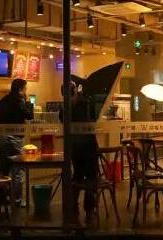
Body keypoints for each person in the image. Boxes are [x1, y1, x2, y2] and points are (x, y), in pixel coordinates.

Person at [59, 81, 98, 225]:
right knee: (91, 177)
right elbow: (94, 118)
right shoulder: (84, 103)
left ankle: (73, 206)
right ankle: (89, 209)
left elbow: (62, 121)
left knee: (77, 175)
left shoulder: (64, 108)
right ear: (75, 90)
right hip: (89, 144)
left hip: (74, 146)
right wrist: (82, 95)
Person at [0, 79, 33, 206]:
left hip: (3, 138)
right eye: (25, 89)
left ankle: (1, 198)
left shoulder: (3, 101)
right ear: (20, 89)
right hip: (16, 139)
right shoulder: (19, 101)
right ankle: (17, 200)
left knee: (3, 169)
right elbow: (29, 115)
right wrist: (29, 103)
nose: (26, 91)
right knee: (17, 170)